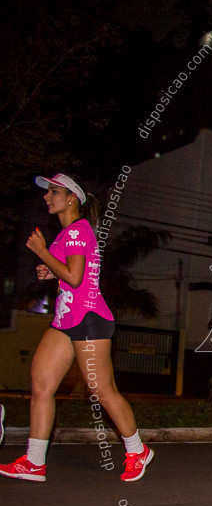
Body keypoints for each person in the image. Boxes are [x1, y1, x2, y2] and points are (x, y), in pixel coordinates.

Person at [0, 173, 154, 483]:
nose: (47, 196)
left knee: (102, 390)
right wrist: (48, 270)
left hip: (88, 320)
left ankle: (137, 450)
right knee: (41, 385)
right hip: (65, 321)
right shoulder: (66, 235)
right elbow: (68, 273)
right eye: (47, 192)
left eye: (53, 191)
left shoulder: (77, 231)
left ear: (72, 198)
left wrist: (43, 254)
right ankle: (34, 461)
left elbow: (74, 277)